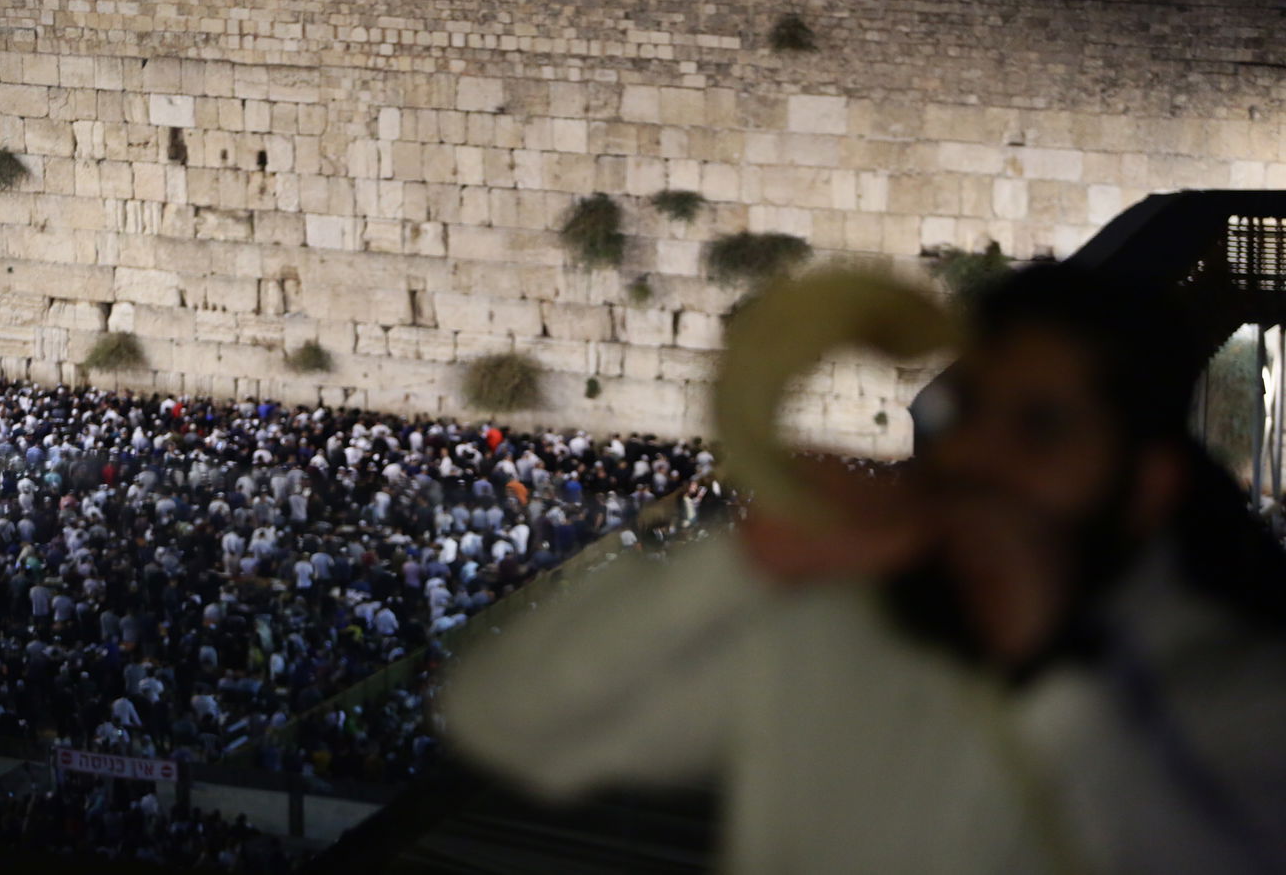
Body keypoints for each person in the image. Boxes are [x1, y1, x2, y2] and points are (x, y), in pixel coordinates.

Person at [442, 263, 1286, 874]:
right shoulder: (843, 629)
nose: (979, 456)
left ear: (1146, 485)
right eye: (968, 411)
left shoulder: (1245, 685)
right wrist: (741, 562)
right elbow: (502, 717)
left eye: (1040, 427)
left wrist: (1047, 669)